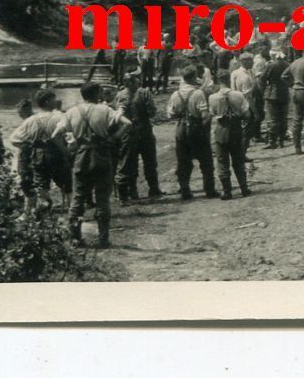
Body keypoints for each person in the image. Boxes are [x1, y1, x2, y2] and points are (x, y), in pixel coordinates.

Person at [56, 82, 131, 248]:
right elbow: (127, 123)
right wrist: (114, 138)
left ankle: (76, 238)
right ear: (97, 94)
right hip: (102, 155)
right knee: (103, 199)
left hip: (81, 156)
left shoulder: (71, 111)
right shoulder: (105, 110)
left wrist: (67, 150)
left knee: (78, 199)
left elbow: (56, 133)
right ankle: (103, 239)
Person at [10, 88, 72, 215]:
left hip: (38, 155)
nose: (56, 101)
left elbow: (13, 139)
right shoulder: (59, 117)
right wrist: (68, 151)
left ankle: (45, 207)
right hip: (57, 155)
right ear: (48, 101)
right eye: (54, 99)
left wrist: (30, 145)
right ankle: (72, 211)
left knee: (42, 184)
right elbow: (70, 137)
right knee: (66, 183)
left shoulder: (31, 120)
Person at [167, 65, 219, 200]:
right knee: (206, 161)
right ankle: (209, 190)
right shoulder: (197, 93)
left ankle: (185, 190)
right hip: (196, 128)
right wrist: (204, 128)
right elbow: (205, 115)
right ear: (192, 78)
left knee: (183, 161)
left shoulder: (175, 94)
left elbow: (170, 115)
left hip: (181, 129)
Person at [113, 71, 162, 202]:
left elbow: (116, 113)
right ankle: (153, 189)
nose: (138, 82)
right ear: (130, 82)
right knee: (149, 162)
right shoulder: (144, 93)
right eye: (136, 80)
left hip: (128, 133)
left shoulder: (119, 95)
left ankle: (129, 193)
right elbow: (152, 112)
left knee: (127, 163)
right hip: (143, 131)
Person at [208, 70, 252, 200]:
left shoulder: (212, 97)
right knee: (238, 160)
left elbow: (212, 115)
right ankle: (244, 188)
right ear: (229, 80)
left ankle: (227, 191)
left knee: (222, 161)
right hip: (236, 129)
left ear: (217, 81)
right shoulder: (238, 95)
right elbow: (247, 115)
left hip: (221, 129)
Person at [260, 49, 291, 149]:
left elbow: (262, 79)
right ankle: (281, 140)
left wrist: (263, 90)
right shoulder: (287, 65)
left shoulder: (271, 65)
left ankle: (272, 142)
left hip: (272, 94)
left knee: (273, 119)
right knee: (283, 118)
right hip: (284, 94)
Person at [230, 53, 260, 151]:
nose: (253, 63)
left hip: (235, 103)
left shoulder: (235, 72)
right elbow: (248, 96)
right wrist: (254, 111)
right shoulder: (245, 76)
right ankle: (242, 153)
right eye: (251, 61)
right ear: (244, 61)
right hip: (245, 104)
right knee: (246, 130)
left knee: (240, 129)